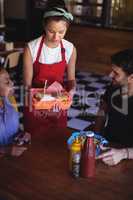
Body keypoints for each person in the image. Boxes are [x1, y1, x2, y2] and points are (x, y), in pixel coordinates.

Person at [23, 2, 77, 134]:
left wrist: (72, 90)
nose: (56, 37)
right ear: (44, 26)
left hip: (58, 103)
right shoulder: (31, 48)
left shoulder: (70, 49)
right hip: (35, 103)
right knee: (35, 141)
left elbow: (71, 79)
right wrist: (38, 99)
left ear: (67, 28)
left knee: (56, 141)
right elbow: (27, 85)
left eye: (61, 32)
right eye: (51, 31)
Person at [93, 49, 133, 166]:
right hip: (108, 144)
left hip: (128, 155)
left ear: (131, 77)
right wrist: (97, 137)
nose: (110, 75)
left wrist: (123, 153)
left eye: (116, 73)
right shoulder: (114, 87)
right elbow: (102, 111)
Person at [0, 67, 31, 157]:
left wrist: (22, 134)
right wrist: (6, 150)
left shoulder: (10, 100)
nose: (12, 83)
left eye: (10, 79)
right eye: (6, 82)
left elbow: (10, 128)